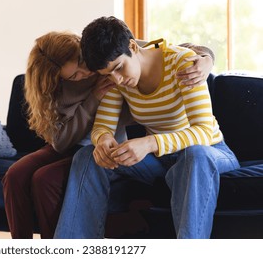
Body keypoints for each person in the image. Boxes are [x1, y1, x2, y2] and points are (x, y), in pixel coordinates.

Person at [3, 30, 215, 239]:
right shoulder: (74, 83)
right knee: (17, 174)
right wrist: (97, 111)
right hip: (72, 143)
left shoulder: (113, 59)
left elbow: (158, 50)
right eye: (75, 75)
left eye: (81, 61)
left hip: (176, 147)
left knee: (44, 179)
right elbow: (63, 141)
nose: (85, 72)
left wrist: (207, 58)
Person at [54, 16, 240, 239]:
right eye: (108, 75)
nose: (117, 80)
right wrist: (102, 140)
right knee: (87, 156)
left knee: (196, 155)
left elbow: (202, 131)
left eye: (119, 68)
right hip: (160, 161)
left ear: (133, 46)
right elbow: (102, 126)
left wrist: (150, 143)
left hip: (210, 152)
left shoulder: (183, 63)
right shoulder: (116, 80)